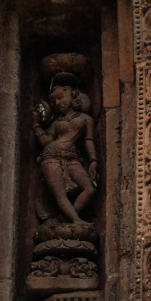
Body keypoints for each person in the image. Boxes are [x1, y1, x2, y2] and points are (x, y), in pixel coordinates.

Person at [32, 85, 98, 224]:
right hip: (50, 155)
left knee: (89, 188)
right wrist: (36, 124)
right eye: (54, 100)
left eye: (61, 98)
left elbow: (88, 140)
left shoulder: (86, 119)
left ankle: (65, 218)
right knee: (60, 193)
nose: (57, 103)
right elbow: (46, 141)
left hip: (72, 157)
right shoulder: (57, 122)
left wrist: (93, 160)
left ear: (73, 96)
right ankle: (75, 220)